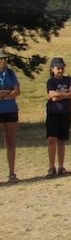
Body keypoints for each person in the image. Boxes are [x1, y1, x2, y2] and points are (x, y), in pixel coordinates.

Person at [45, 57, 71, 179]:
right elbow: (52, 97)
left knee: (62, 141)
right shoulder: (50, 81)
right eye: (58, 68)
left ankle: (61, 166)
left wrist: (59, 95)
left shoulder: (69, 80)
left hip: (65, 113)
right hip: (53, 113)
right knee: (52, 139)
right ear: (52, 69)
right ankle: (51, 167)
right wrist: (65, 95)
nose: (60, 70)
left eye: (62, 68)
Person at [0, 52, 20, 183]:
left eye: (4, 58)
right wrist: (8, 92)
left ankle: (12, 173)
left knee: (11, 142)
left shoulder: (11, 73)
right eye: (1, 59)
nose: (3, 61)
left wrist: (4, 94)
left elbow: (17, 90)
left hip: (11, 110)